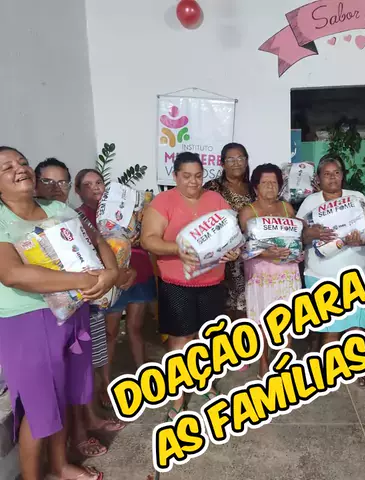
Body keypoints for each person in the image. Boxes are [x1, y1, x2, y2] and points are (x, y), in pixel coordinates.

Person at [0, 146, 119, 479]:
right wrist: (84, 280)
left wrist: (110, 273)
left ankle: (60, 464)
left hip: (73, 313)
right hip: (28, 322)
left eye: (22, 162)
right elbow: (12, 274)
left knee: (64, 396)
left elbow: (98, 241)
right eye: (7, 167)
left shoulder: (58, 209)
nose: (19, 168)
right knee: (38, 409)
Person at [141, 152, 240, 421]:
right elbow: (148, 239)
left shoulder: (215, 199)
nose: (193, 182)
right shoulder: (163, 202)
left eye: (198, 176)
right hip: (177, 284)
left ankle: (204, 384)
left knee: (205, 338)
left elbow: (231, 234)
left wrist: (233, 250)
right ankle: (177, 397)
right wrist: (178, 249)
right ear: (175, 176)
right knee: (180, 340)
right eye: (186, 176)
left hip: (212, 282)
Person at [74, 170, 153, 411]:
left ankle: (145, 375)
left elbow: (143, 236)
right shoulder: (78, 217)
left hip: (139, 273)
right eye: (88, 185)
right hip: (109, 283)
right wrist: (118, 273)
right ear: (78, 191)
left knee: (136, 327)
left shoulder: (124, 207)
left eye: (99, 182)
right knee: (110, 333)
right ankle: (106, 384)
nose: (95, 188)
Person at [296, 154, 365, 387]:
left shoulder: (356, 198)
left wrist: (362, 238)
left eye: (336, 173)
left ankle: (360, 366)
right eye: (327, 174)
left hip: (357, 273)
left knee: (355, 325)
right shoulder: (310, 202)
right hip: (320, 274)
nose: (332, 178)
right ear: (318, 179)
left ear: (342, 176)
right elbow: (298, 236)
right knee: (329, 325)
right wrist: (310, 234)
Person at [238, 164, 301, 378]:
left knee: (288, 319)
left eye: (274, 182)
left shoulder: (287, 208)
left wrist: (296, 251)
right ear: (256, 187)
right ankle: (263, 362)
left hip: (288, 273)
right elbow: (243, 247)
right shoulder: (248, 211)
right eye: (265, 183)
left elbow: (295, 239)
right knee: (262, 320)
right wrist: (266, 253)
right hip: (261, 274)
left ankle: (285, 361)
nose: (270, 187)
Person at [204, 143, 254, 321]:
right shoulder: (213, 187)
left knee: (246, 308)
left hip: (248, 255)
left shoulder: (254, 188)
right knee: (224, 310)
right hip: (223, 257)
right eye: (231, 159)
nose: (236, 163)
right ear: (222, 163)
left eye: (240, 158)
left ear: (246, 161)